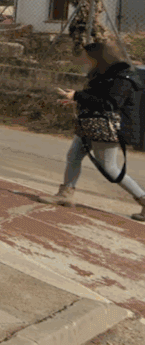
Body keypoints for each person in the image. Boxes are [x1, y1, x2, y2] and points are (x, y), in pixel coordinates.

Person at [39, 41, 145, 221]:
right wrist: (75, 98)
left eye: (87, 57)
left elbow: (110, 104)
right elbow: (97, 97)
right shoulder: (104, 74)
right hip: (92, 124)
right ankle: (65, 194)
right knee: (73, 155)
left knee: (110, 167)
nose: (84, 60)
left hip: (107, 128)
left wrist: (78, 96)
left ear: (99, 58)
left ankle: (143, 200)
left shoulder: (122, 78)